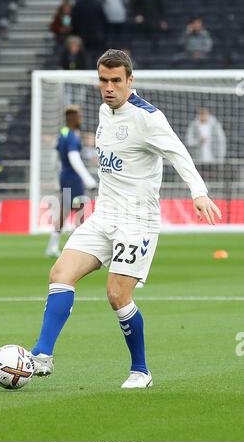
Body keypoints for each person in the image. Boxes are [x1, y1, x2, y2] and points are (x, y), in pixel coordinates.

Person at [30, 49, 221, 389]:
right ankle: (42, 356)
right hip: (104, 214)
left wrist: (199, 192)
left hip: (137, 219)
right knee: (60, 273)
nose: (109, 87)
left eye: (116, 80)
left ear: (130, 80)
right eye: (103, 80)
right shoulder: (105, 111)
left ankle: (141, 370)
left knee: (117, 294)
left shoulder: (147, 117)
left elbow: (178, 151)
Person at [46, 105, 97, 257]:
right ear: (72, 118)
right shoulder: (72, 136)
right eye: (79, 116)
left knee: (67, 209)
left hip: (65, 176)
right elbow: (74, 158)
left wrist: (56, 175)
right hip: (73, 177)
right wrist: (88, 179)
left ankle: (54, 245)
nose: (80, 119)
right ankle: (78, 247)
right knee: (78, 209)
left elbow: (53, 157)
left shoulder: (63, 133)